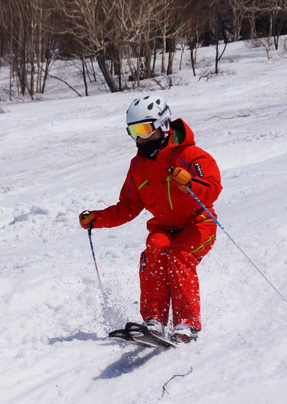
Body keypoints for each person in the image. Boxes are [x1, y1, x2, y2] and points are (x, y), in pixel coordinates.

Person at [79, 95, 222, 344]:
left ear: (163, 125)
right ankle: (153, 321)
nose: (139, 138)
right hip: (165, 227)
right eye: (133, 131)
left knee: (179, 257)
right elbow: (128, 206)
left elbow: (212, 189)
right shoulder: (139, 166)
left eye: (144, 129)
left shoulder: (191, 155)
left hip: (198, 224)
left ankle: (187, 323)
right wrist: (97, 219)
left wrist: (190, 183)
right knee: (154, 251)